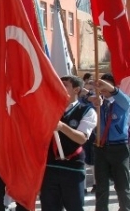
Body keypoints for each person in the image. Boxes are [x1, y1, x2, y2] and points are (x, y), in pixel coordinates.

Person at [40, 75, 96, 211]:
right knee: (49, 207)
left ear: (76, 90)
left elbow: (82, 138)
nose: (59, 86)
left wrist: (61, 127)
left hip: (72, 167)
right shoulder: (49, 109)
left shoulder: (87, 111)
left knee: (74, 207)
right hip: (50, 166)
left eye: (64, 84)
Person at [92, 73, 130, 210]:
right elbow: (82, 101)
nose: (102, 89)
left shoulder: (123, 101)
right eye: (100, 86)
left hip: (119, 148)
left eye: (105, 85)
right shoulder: (98, 102)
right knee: (101, 186)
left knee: (122, 185)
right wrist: (91, 95)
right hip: (100, 147)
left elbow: (122, 97)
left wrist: (106, 85)